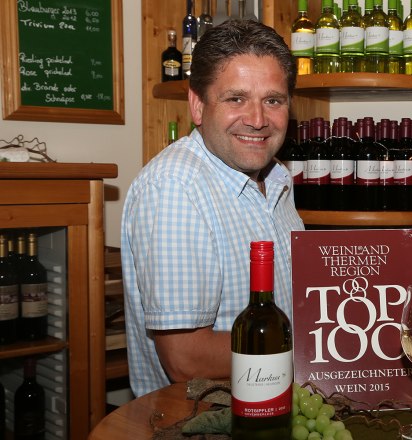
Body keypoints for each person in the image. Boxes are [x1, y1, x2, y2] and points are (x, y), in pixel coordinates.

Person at [121, 19, 304, 397]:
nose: (257, 119)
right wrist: (319, 347)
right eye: (236, 98)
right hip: (202, 423)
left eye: (273, 100)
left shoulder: (277, 179)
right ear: (197, 105)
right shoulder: (176, 189)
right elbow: (187, 359)